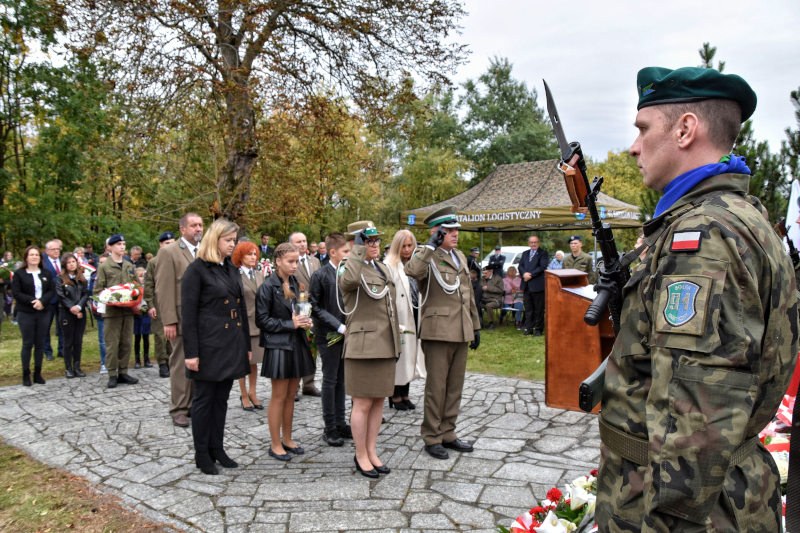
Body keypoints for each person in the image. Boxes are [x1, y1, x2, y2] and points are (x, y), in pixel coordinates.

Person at [595, 66, 796, 531]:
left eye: (644, 129)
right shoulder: (743, 216)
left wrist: (666, 521)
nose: (634, 146)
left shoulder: (703, 236)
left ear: (685, 129)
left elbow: (696, 422)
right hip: (714, 495)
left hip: (684, 508)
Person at [406, 206, 480, 460]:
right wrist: (428, 246)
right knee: (436, 387)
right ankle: (431, 437)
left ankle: (448, 432)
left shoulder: (459, 255)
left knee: (454, 387)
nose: (455, 234)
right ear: (436, 232)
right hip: (438, 331)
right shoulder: (427, 255)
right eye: (449, 230)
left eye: (456, 229)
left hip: (461, 329)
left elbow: (467, 294)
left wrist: (476, 325)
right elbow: (412, 272)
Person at [181, 218, 251, 475]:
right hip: (208, 344)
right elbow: (188, 315)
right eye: (229, 240)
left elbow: (240, 305)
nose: (233, 245)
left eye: (234, 240)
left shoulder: (230, 268)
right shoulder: (196, 270)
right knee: (204, 400)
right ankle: (202, 454)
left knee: (221, 399)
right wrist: (191, 353)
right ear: (215, 240)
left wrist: (245, 342)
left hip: (231, 342)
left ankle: (217, 448)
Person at [339, 221, 400, 478]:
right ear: (358, 242)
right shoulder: (349, 267)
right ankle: (360, 454)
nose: (374, 244)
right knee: (362, 403)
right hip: (362, 347)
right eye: (368, 240)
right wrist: (358, 249)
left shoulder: (381, 268)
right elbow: (350, 282)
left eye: (376, 240)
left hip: (385, 343)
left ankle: (372, 451)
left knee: (378, 401)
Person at [256, 243, 316, 462]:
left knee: (291, 395)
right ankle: (275, 443)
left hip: (297, 343)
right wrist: (290, 323)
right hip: (279, 345)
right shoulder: (267, 286)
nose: (294, 265)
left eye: (297, 261)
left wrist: (306, 322)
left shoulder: (297, 284)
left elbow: (302, 311)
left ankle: (288, 439)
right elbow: (261, 320)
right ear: (278, 261)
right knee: (279, 396)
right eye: (290, 261)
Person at [155, 212, 203, 427]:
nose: (199, 229)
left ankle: (193, 404)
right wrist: (169, 321)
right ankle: (179, 408)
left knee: (198, 362)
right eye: (194, 225)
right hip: (181, 318)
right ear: (182, 229)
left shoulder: (203, 251)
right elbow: (163, 289)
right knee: (180, 362)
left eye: (201, 225)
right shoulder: (169, 252)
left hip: (203, 319)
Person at [308, 233, 353, 445]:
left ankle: (341, 422)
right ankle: (330, 427)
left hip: (346, 334)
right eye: (346, 252)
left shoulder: (347, 272)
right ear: (333, 252)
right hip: (329, 335)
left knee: (342, 380)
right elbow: (314, 307)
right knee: (330, 379)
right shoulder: (320, 275)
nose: (349, 255)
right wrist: (338, 325)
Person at [384, 229, 426, 411]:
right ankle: (394, 395)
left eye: (410, 245)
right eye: (404, 246)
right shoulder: (389, 264)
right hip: (400, 314)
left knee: (411, 352)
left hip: (416, 311)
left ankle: (405, 392)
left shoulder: (416, 263)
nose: (407, 249)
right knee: (400, 355)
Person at [93, 234, 139, 389]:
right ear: (110, 247)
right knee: (112, 343)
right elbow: (98, 289)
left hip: (128, 310)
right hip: (112, 312)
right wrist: (109, 297)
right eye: (119, 244)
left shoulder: (129, 266)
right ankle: (112, 373)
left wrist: (137, 299)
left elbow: (137, 286)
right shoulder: (104, 267)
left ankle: (123, 371)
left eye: (124, 244)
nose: (122, 247)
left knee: (126, 342)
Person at [11, 246, 55, 386]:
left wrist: (42, 301)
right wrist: (32, 302)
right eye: (31, 255)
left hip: (43, 312)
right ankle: (26, 375)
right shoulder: (19, 274)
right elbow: (16, 292)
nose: (34, 257)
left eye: (37, 255)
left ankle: (37, 373)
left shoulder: (46, 273)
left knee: (40, 343)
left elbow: (51, 290)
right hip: (26, 312)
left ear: (40, 258)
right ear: (26, 257)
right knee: (28, 343)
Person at [232, 241, 265, 412]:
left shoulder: (259, 274)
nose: (253, 257)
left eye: (255, 254)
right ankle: (243, 394)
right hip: (242, 324)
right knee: (242, 361)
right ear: (240, 256)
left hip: (258, 324)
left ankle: (253, 392)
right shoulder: (235, 275)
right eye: (249, 254)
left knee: (254, 361)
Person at [288, 231, 321, 398]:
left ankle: (308, 384)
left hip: (314, 310)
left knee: (312, 346)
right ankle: (293, 386)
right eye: (298, 241)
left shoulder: (315, 261)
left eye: (304, 240)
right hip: (297, 310)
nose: (302, 244)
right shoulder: (289, 263)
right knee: (297, 348)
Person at [143, 231, 175, 378]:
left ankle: (172, 361)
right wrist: (150, 304)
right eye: (167, 243)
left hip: (175, 301)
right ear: (161, 244)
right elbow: (148, 284)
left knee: (174, 335)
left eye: (172, 243)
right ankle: (162, 363)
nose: (170, 246)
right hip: (159, 302)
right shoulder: (154, 262)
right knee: (160, 335)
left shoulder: (176, 258)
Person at [55, 253, 89, 378]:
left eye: (73, 261)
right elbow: (61, 296)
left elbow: (86, 294)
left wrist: (79, 307)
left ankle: (77, 366)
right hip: (66, 313)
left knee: (78, 340)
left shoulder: (81, 278)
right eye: (69, 262)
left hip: (80, 313)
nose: (71, 264)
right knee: (68, 341)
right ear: (65, 264)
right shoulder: (60, 278)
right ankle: (68, 368)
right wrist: (73, 308)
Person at [517, 234, 548, 337]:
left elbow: (542, 266)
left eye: (535, 242)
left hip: (537, 286)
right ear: (528, 243)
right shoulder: (525, 253)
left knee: (538, 309)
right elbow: (520, 265)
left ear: (538, 243)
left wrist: (530, 275)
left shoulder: (543, 253)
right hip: (526, 286)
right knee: (528, 309)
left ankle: (539, 330)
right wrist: (524, 274)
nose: (533, 244)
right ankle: (529, 329)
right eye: (531, 242)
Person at [42, 240, 64, 360]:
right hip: (49, 299)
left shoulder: (63, 261)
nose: (56, 251)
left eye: (58, 249)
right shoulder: (43, 263)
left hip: (62, 299)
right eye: (53, 249)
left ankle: (62, 350)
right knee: (46, 326)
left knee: (62, 325)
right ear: (47, 251)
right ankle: (48, 351)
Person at [88, 255, 108, 373]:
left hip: (114, 310)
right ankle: (104, 363)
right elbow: (90, 293)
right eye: (100, 262)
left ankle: (115, 362)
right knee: (103, 340)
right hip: (100, 312)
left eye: (105, 262)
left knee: (115, 339)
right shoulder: (94, 277)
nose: (102, 265)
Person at [133, 267, 152, 369]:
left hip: (146, 312)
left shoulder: (147, 286)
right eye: (139, 276)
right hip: (137, 313)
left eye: (142, 276)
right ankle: (137, 360)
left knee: (146, 337)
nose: (141, 278)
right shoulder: (133, 287)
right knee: (137, 337)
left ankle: (146, 358)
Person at [479, 265, 504, 330]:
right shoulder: (482, 279)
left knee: (488, 306)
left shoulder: (498, 279)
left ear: (491, 272)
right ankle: (479, 323)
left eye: (486, 273)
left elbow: (501, 290)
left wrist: (488, 288)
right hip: (484, 299)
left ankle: (491, 323)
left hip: (495, 300)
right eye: (483, 273)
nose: (484, 275)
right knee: (476, 304)